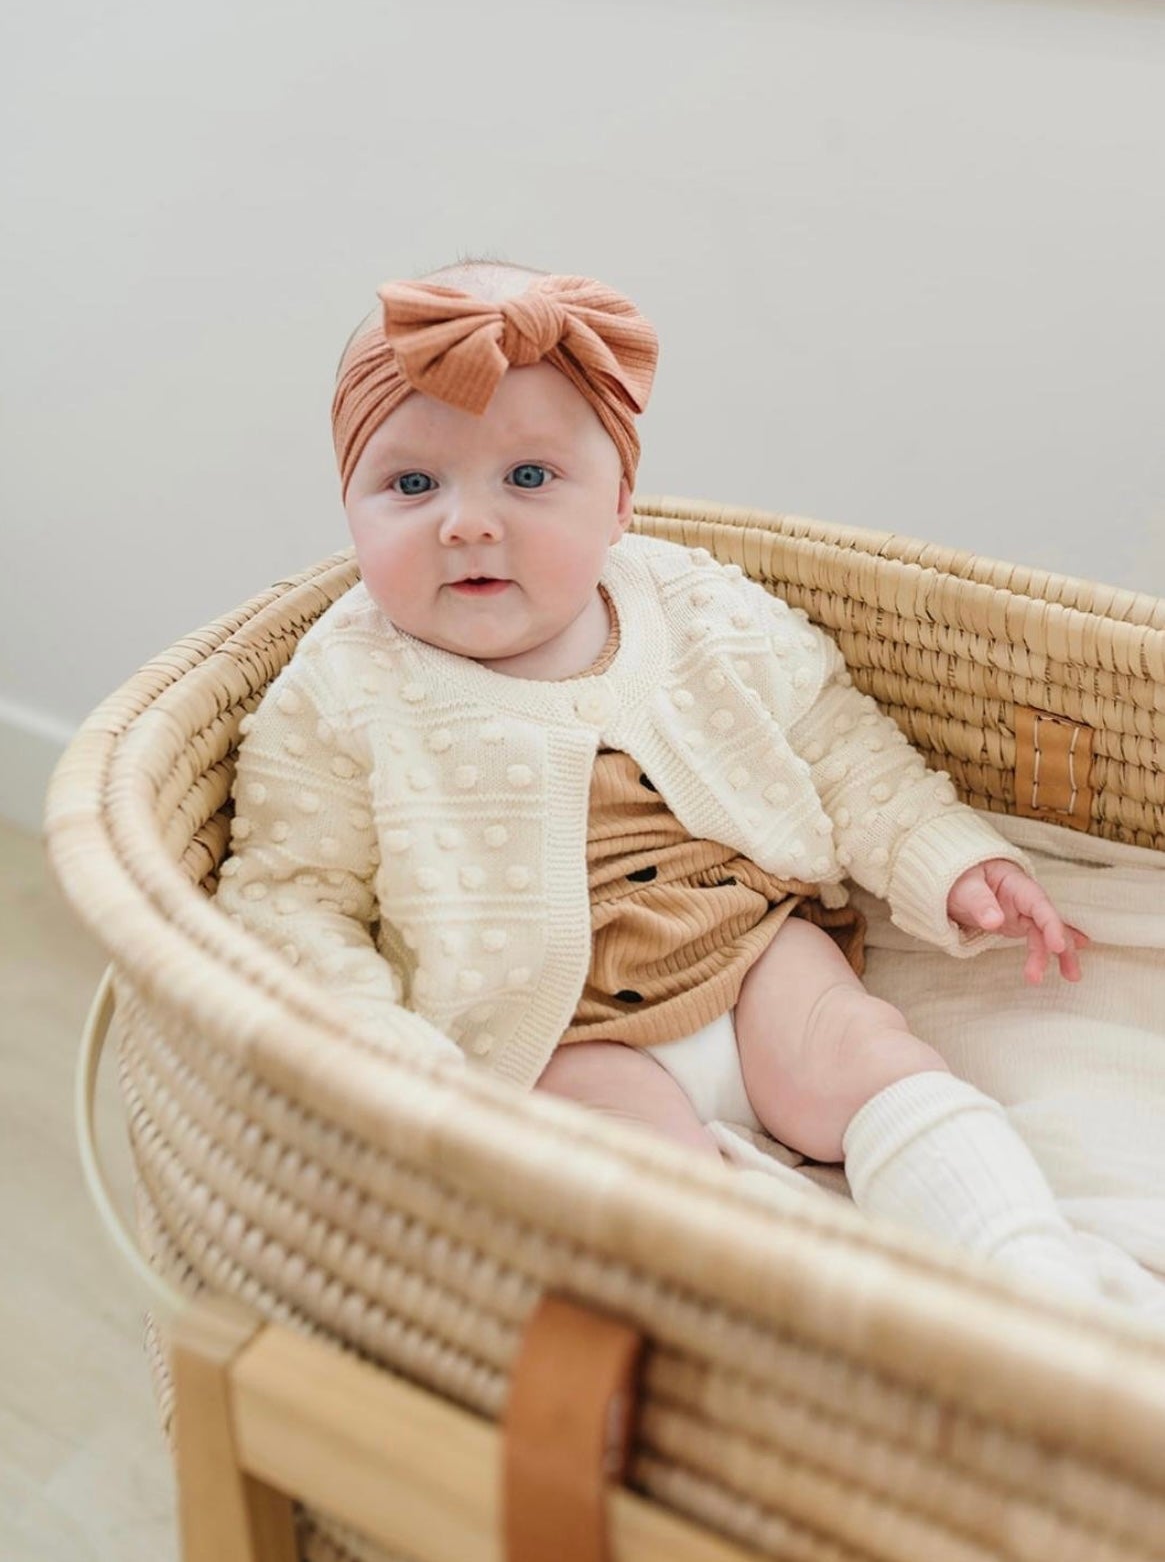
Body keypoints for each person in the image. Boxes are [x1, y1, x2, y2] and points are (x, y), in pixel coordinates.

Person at [218, 257, 1153, 1312]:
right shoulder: (341, 685)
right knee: (637, 1186)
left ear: (619, 501)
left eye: (527, 478)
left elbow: (833, 739)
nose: (467, 522)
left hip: (748, 950)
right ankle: (786, 1337)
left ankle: (1030, 1279)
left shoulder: (691, 600)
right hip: (553, 1029)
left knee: (871, 1053)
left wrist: (943, 855)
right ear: (349, 508)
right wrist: (375, 1047)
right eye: (411, 484)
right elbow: (291, 895)